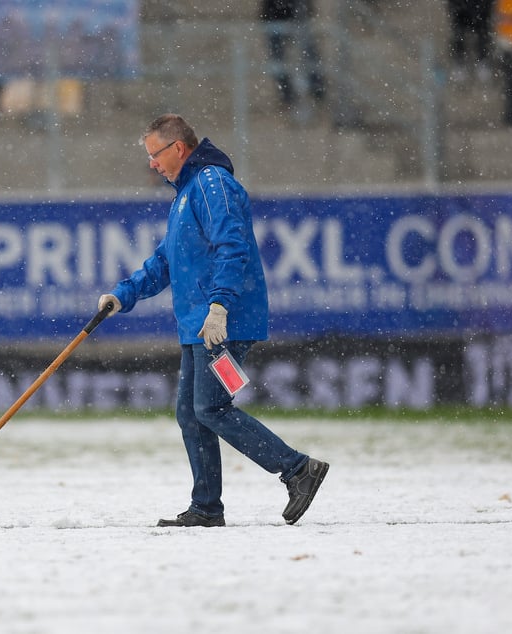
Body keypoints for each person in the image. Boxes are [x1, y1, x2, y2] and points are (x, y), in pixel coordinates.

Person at [97, 114, 329, 527]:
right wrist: (122, 296)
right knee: (192, 412)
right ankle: (206, 507)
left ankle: (297, 469)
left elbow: (233, 245)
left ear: (178, 149)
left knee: (211, 407)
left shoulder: (210, 184)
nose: (152, 164)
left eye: (155, 155)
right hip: (199, 325)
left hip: (222, 323)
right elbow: (165, 262)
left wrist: (220, 305)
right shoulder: (186, 193)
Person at [259, 0, 326, 108]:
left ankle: (316, 89)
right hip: (277, 18)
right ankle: (288, 94)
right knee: (278, 61)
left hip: (295, 17)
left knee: (308, 55)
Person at [445, 0, 496, 82]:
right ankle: (460, 63)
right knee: (458, 35)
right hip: (461, 12)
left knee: (482, 36)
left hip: (480, 11)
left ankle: (482, 61)